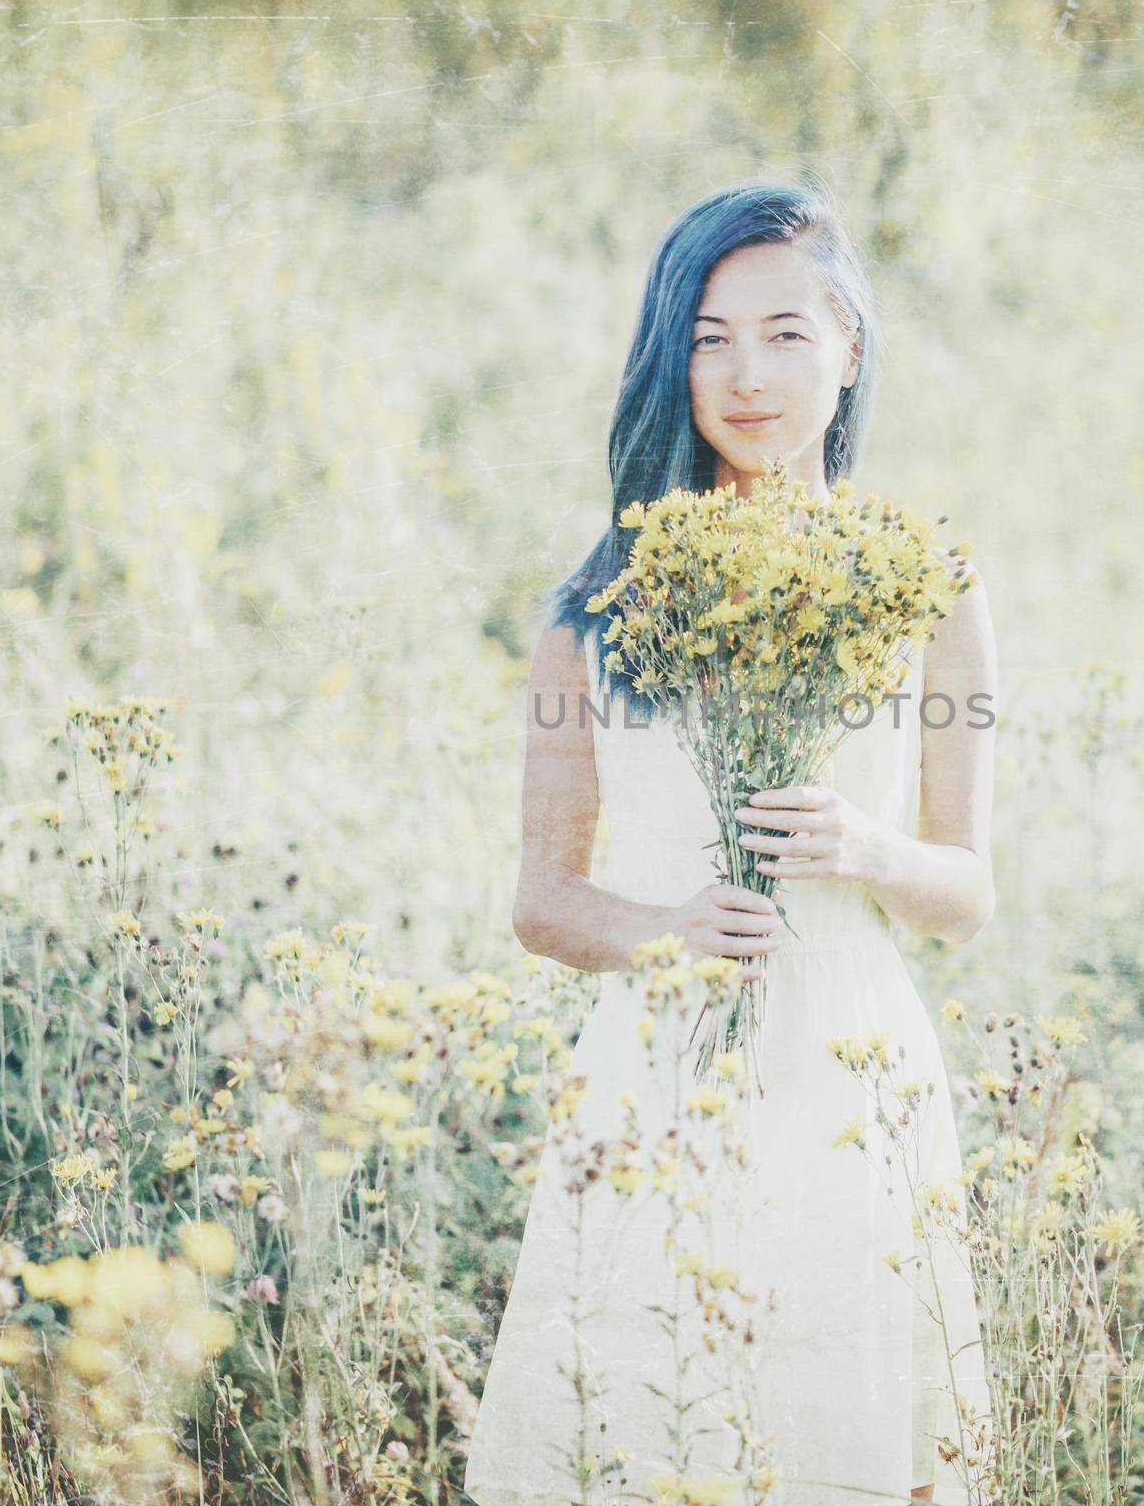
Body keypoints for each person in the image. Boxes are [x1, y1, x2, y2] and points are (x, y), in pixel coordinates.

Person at [463, 177, 997, 1505]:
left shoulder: (931, 592)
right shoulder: (591, 614)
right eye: (707, 338)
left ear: (850, 349)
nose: (745, 374)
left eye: (784, 334)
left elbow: (967, 889)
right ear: (669, 357)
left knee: (840, 1443)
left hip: (854, 1082)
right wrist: (667, 934)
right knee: (650, 1432)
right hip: (655, 1075)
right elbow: (540, 898)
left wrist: (865, 850)